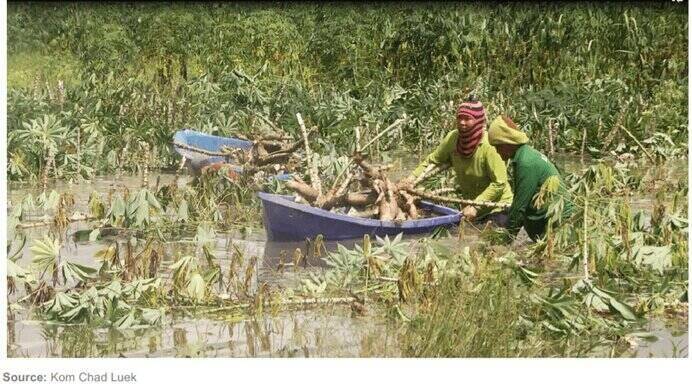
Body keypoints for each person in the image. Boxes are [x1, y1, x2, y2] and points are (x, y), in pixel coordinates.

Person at [399, 99, 513, 225]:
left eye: (467, 119)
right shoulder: (453, 138)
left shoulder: (489, 145)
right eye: (459, 118)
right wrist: (410, 179)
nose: (462, 123)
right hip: (470, 207)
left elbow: (499, 183)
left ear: (478, 121)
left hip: (498, 207)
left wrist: (476, 206)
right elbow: (433, 160)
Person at [487, 115, 574, 241]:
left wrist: (504, 242)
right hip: (553, 225)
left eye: (498, 147)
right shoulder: (525, 155)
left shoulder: (526, 163)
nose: (497, 152)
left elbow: (519, 208)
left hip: (559, 227)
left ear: (508, 143)